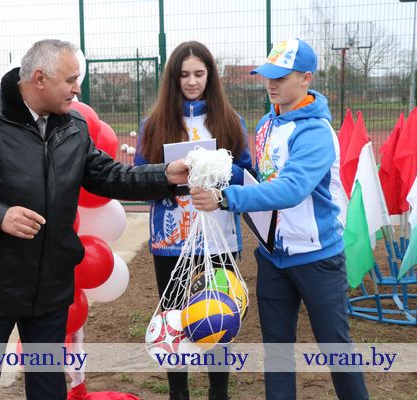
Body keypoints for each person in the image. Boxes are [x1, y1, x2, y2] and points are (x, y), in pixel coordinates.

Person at [0, 39, 189, 400]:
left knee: (48, 387)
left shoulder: (74, 125)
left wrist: (165, 175)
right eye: (71, 80)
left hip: (50, 287)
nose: (78, 89)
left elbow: (108, 175)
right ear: (39, 78)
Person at [191, 38, 369, 400]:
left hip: (317, 259)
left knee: (336, 350)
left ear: (306, 79)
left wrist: (226, 198)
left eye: (281, 77)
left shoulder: (316, 132)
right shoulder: (266, 123)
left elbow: (291, 189)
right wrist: (212, 167)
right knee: (276, 353)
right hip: (273, 258)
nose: (271, 84)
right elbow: (261, 178)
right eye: (268, 75)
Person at [134, 41, 252, 400]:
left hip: (218, 238)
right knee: (173, 318)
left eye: (199, 73)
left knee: (219, 316)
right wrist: (166, 183)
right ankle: (178, 392)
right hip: (170, 240)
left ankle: (219, 393)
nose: (191, 81)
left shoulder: (231, 122)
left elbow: (247, 174)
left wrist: (219, 173)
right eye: (184, 75)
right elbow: (138, 177)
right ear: (173, 79)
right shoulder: (153, 124)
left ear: (210, 76)